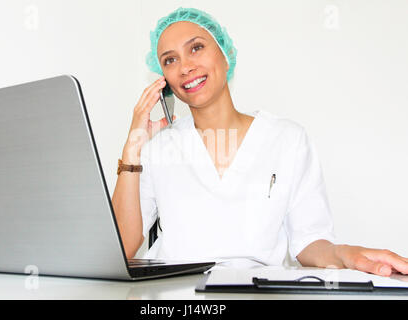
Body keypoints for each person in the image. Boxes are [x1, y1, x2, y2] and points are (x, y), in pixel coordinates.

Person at [111, 7, 408, 276]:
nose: (185, 67)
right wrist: (132, 146)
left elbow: (308, 243)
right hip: (173, 297)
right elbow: (120, 249)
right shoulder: (158, 150)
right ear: (164, 78)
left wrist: (345, 255)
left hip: (255, 292)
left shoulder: (287, 139)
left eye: (196, 48)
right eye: (170, 60)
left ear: (224, 54)